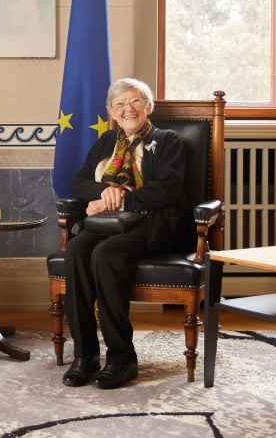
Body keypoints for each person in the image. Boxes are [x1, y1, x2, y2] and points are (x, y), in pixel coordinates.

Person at [62, 78, 190, 389]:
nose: (127, 108)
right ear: (111, 112)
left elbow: (168, 189)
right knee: (76, 250)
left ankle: (121, 358)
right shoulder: (107, 140)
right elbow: (78, 182)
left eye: (135, 101)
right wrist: (103, 192)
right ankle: (85, 355)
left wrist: (121, 197)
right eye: (119, 104)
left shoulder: (168, 140)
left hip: (150, 222)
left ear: (149, 106)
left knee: (105, 254)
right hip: (107, 221)